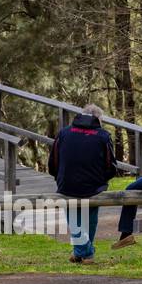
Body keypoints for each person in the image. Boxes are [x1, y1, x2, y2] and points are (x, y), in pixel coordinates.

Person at [48, 103, 117, 263]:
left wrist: (59, 177)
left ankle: (80, 253)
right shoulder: (103, 136)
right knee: (90, 218)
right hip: (94, 186)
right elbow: (111, 165)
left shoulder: (63, 133)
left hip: (67, 184)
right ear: (98, 119)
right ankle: (87, 252)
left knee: (74, 219)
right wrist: (102, 180)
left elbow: (53, 162)